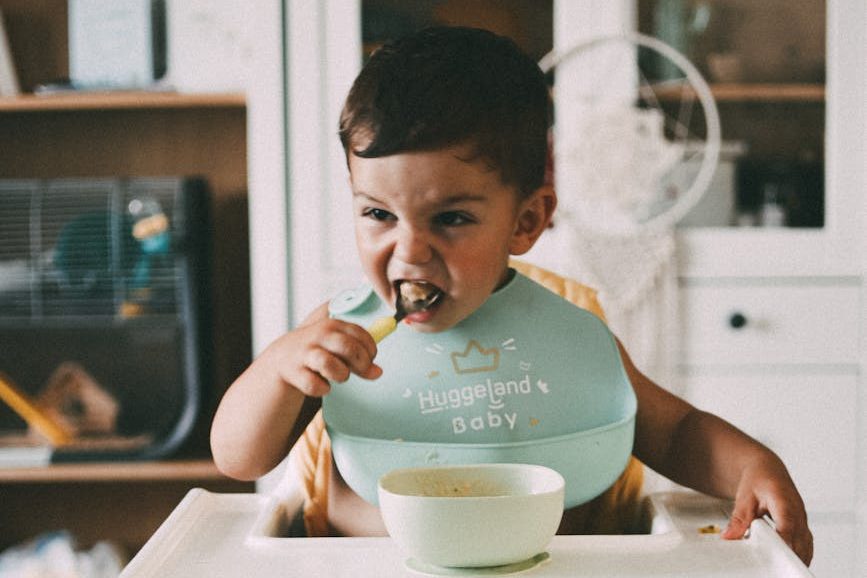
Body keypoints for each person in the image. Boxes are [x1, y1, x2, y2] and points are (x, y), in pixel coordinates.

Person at [210, 26, 812, 565]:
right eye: (377, 213)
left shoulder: (570, 335)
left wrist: (752, 465)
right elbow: (240, 460)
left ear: (526, 221)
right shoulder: (341, 336)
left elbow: (675, 432)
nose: (409, 251)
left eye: (450, 218)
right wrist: (279, 370)